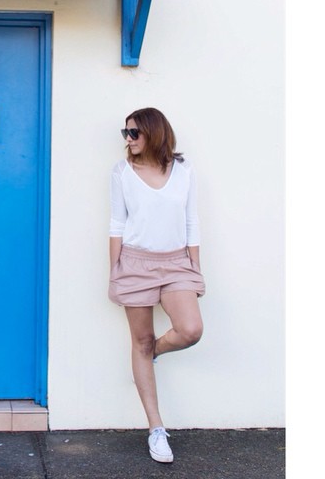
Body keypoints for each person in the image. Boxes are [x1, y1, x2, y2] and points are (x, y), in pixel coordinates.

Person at [108, 107, 205, 464]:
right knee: (140, 340)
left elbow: (191, 219)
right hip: (135, 262)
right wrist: (116, 270)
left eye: (134, 132)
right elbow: (117, 223)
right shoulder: (122, 172)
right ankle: (156, 429)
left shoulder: (183, 170)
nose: (128, 139)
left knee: (190, 330)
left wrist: (194, 267)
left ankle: (154, 353)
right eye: (126, 133)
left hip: (176, 262)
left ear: (154, 132)